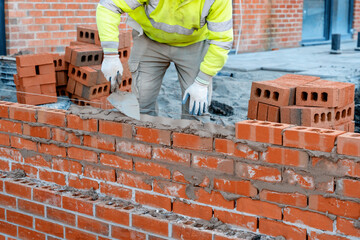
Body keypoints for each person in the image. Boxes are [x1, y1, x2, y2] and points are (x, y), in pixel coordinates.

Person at [96, 0, 233, 119]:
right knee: (141, 106)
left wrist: (202, 82)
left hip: (194, 44)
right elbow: (109, 6)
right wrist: (110, 55)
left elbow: (221, 41)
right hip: (150, 40)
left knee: (196, 109)